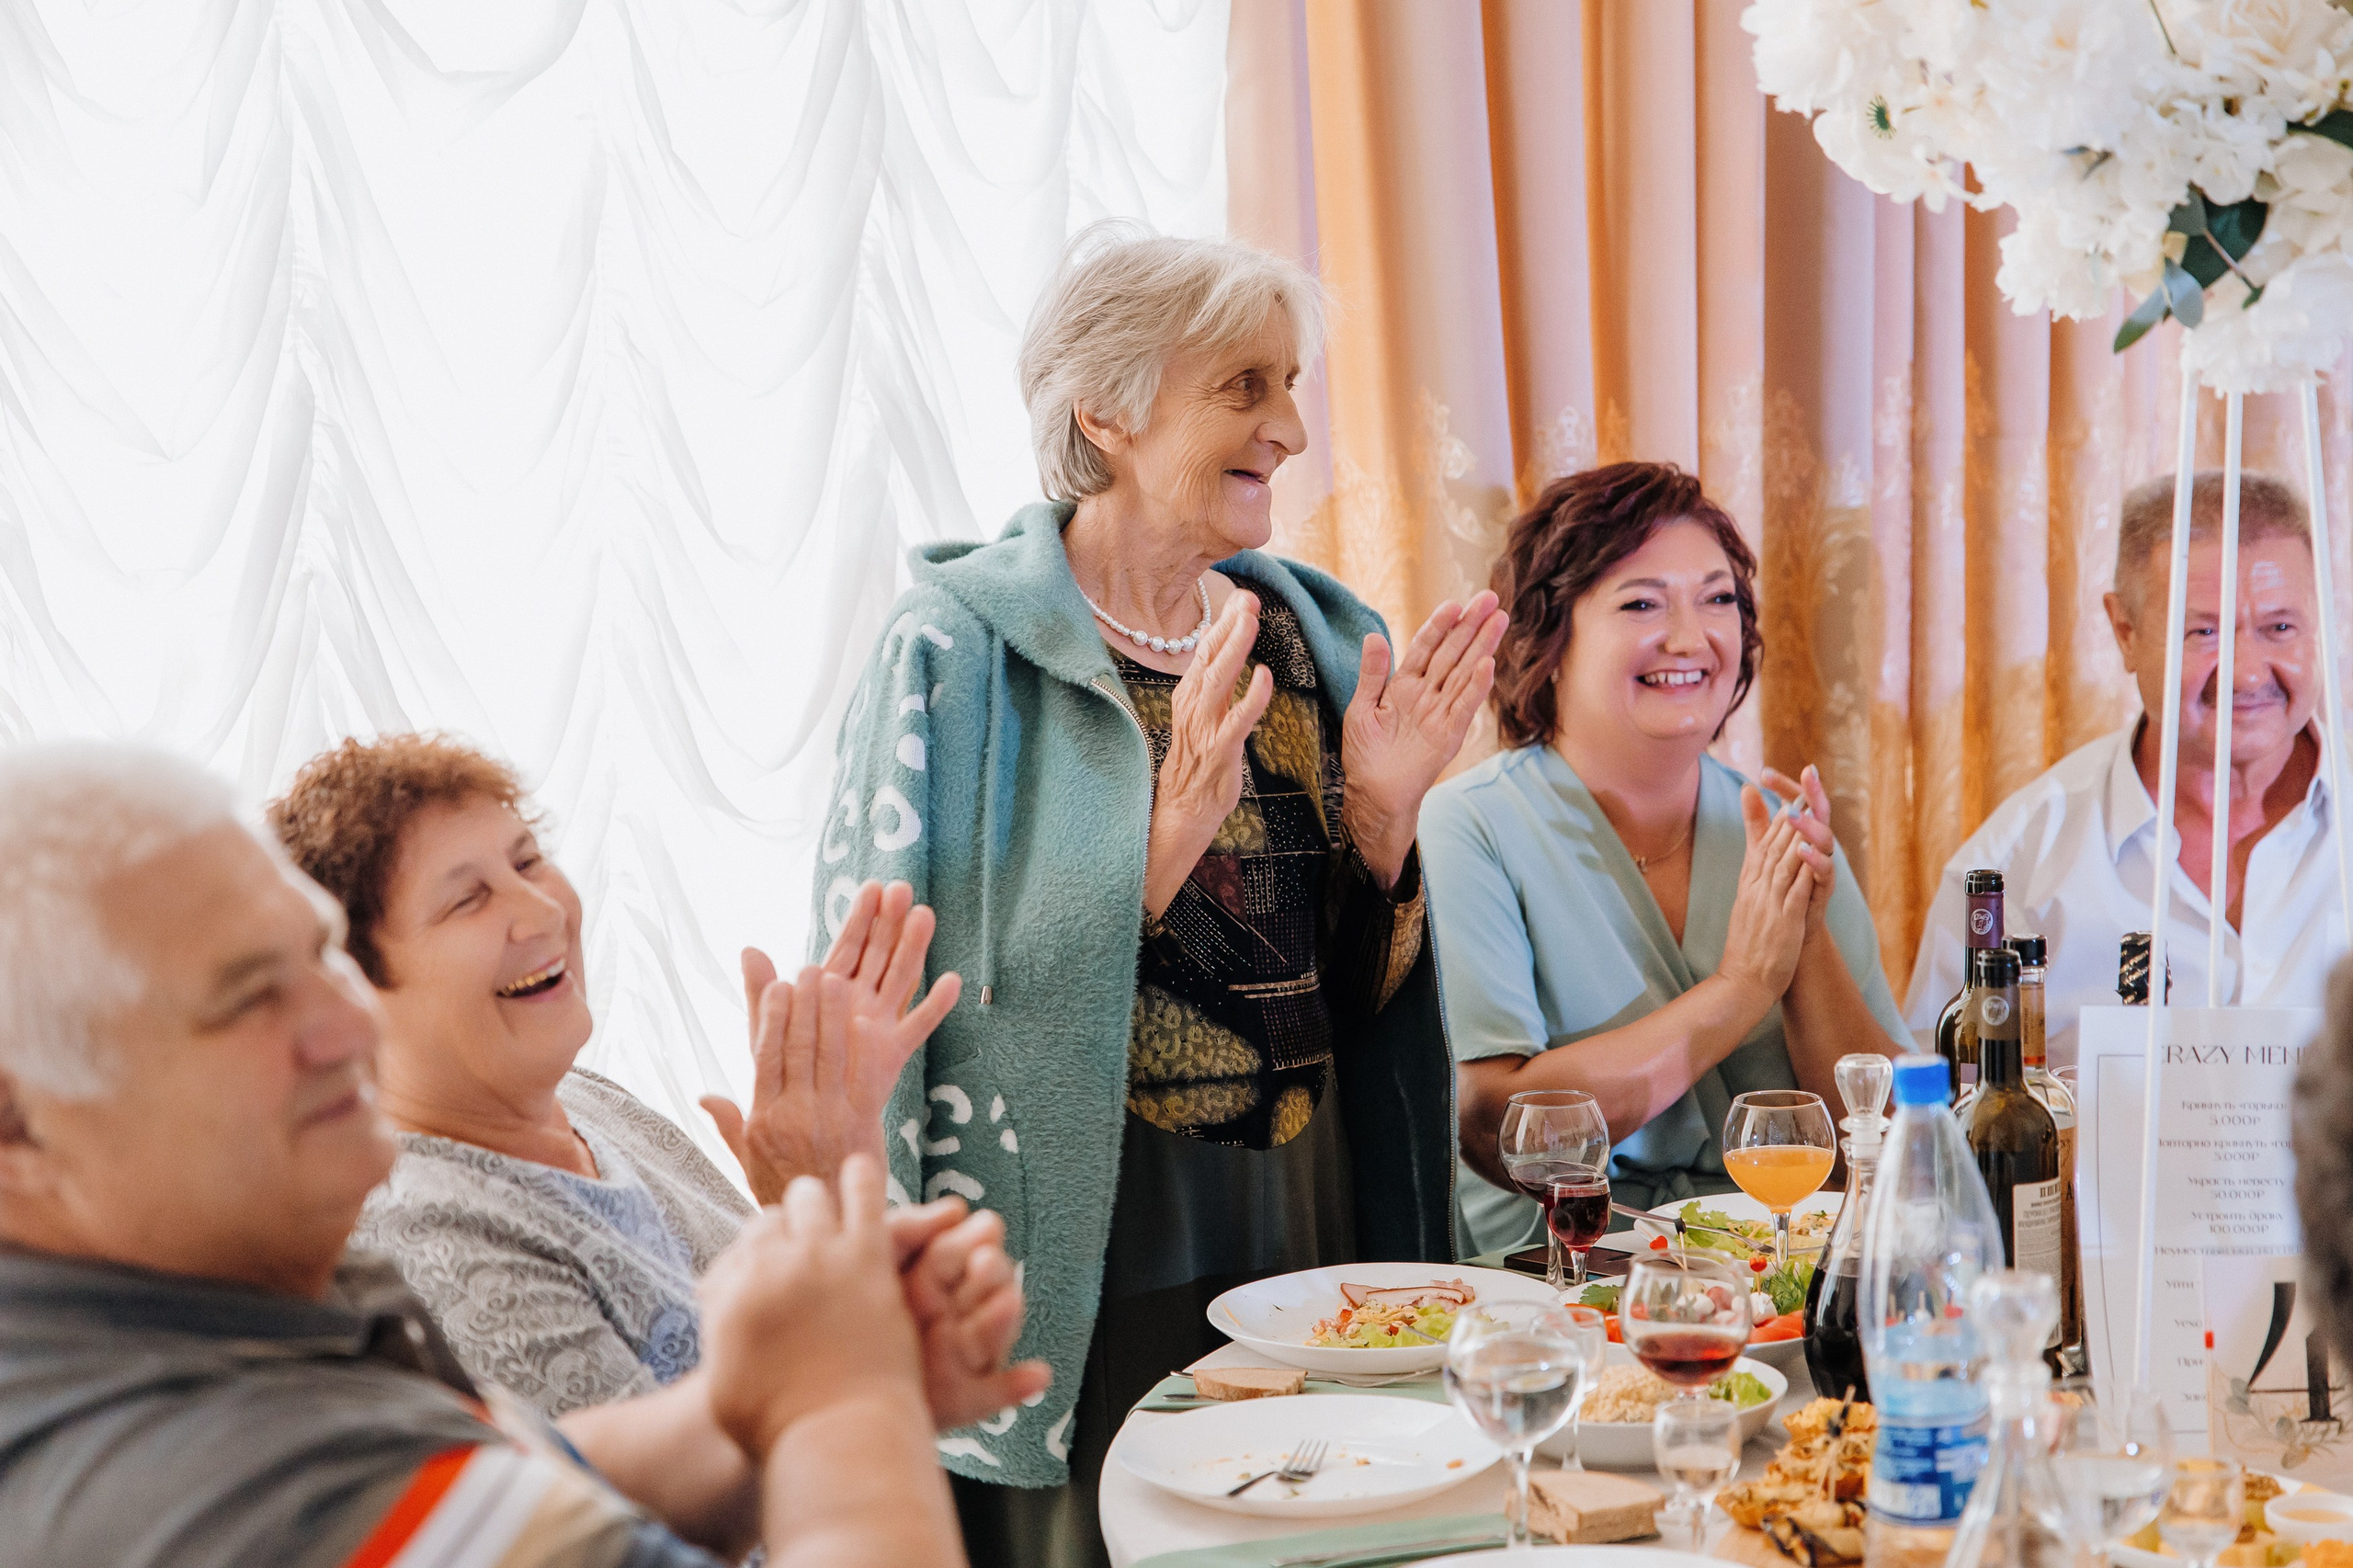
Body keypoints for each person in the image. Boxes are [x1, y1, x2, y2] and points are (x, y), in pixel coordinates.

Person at [814, 225, 1506, 1565]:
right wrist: (1151, 851)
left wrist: (1381, 821)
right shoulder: (956, 658)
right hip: (1087, 1238)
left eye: (1290, 384)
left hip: (1305, 1213)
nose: (1292, 427)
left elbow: (1360, 1003)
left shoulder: (1307, 635)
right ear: (1107, 409)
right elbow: (898, 1003)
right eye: (1244, 387)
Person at [0, 741, 1027, 1568]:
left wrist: (753, 1397)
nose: (347, 1026)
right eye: (244, 999)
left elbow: (517, 1478)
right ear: (19, 1132)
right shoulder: (239, 1483)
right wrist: (845, 1397)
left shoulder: (244, 1280)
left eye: (314, 953)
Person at [265, 733, 1044, 1420]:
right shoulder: (428, 1239)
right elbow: (659, 1521)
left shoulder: (590, 1105)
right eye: (468, 899)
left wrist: (828, 1177)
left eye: (527, 859)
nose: (540, 910)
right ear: (354, 992)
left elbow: (800, 1348)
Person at [1418, 461, 1907, 1256]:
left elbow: (1882, 1135)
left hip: (1778, 1280)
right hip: (1564, 1285)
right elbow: (1499, 1128)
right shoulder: (1472, 825)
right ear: (1550, 637)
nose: (1692, 638)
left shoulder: (1779, 827)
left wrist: (1804, 942)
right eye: (1642, 602)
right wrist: (1743, 985)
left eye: (1718, 599)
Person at [1904, 471, 2344, 1067]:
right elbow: (1943, 1120)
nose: (2247, 673)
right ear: (2126, 632)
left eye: (2280, 627)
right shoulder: (2016, 868)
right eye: (2205, 632)